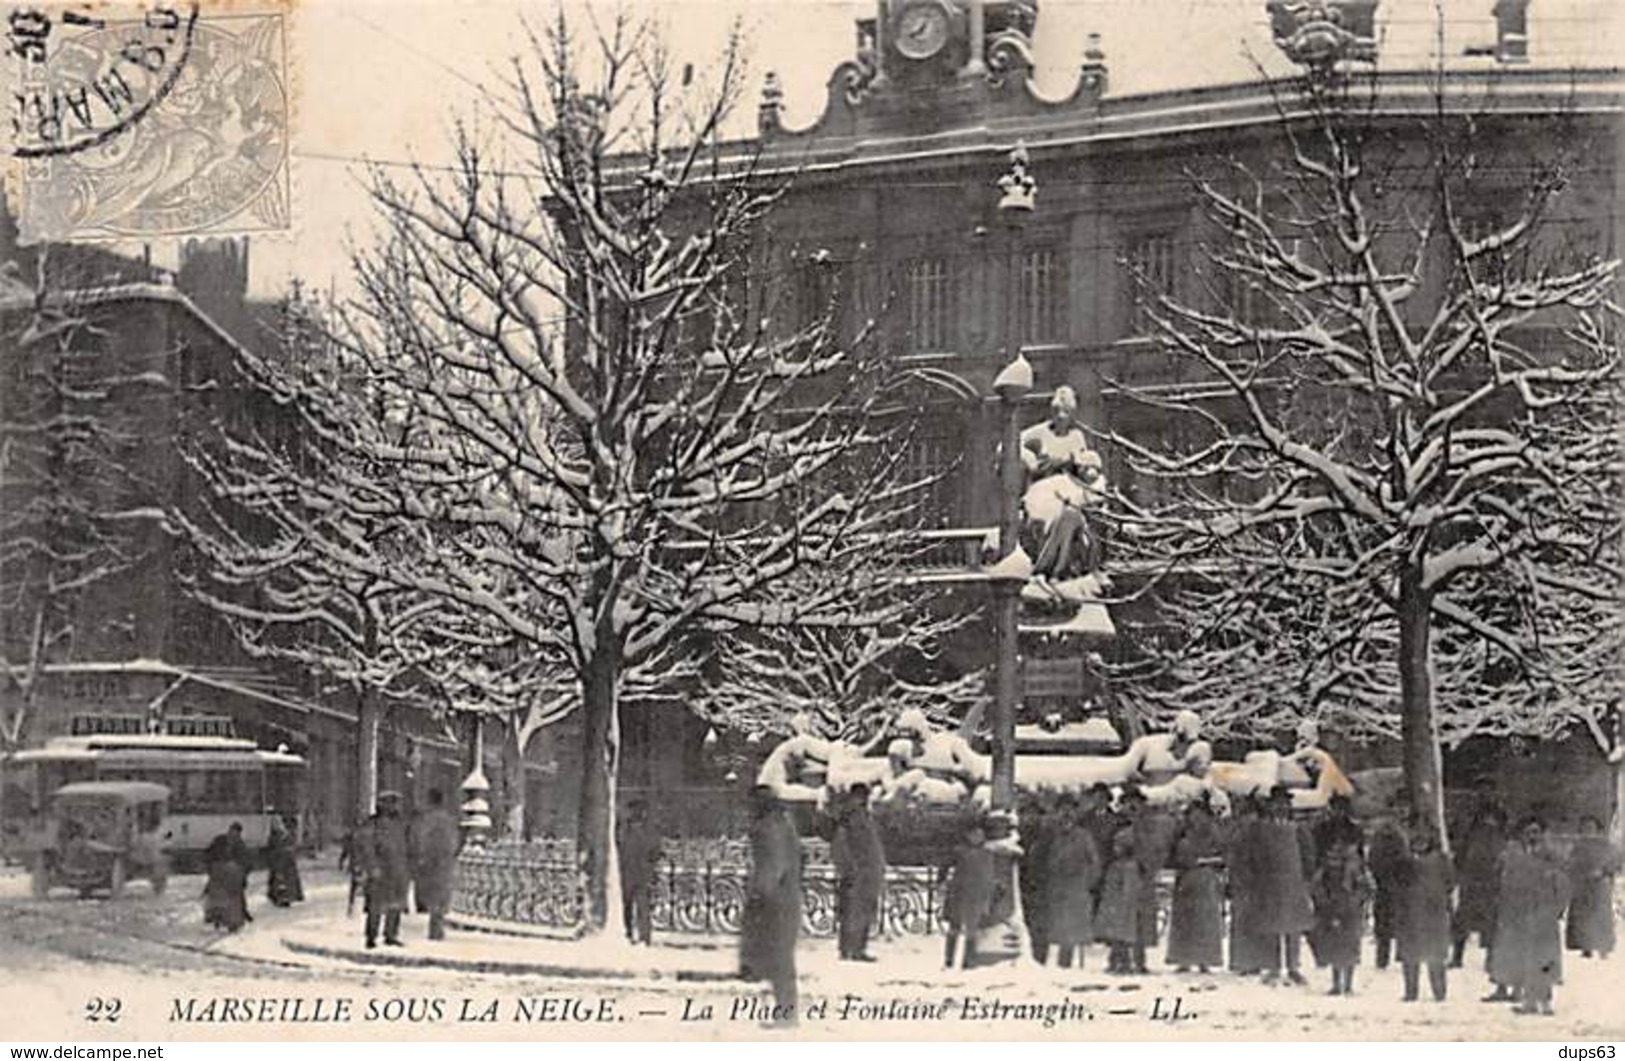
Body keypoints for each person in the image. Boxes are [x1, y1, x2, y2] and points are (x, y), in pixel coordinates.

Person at [1018, 385, 1107, 581]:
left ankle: (1058, 568)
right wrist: (1031, 462)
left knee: (1071, 517)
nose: (1061, 416)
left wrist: (1089, 471)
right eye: (1057, 411)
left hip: (1068, 489)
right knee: (1047, 519)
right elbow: (1009, 443)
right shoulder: (1040, 433)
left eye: (1066, 412)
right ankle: (1047, 566)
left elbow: (1086, 465)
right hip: (1043, 490)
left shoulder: (1077, 437)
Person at [1487, 815, 1571, 1015]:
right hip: (1522, 915)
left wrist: (1557, 909)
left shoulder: (1552, 858)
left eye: (1536, 832)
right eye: (1528, 833)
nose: (1532, 836)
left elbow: (1563, 886)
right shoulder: (1516, 856)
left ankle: (1546, 1000)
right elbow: (1508, 884)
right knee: (1526, 957)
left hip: (1544, 915)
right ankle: (1530, 1000)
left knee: (1545, 958)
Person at [740, 785, 801, 1026]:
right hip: (785, 897)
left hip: (775, 901)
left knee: (779, 959)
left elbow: (773, 867)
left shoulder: (768, 828)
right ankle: (785, 1012)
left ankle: (786, 1015)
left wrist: (759, 896)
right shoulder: (782, 824)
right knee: (780, 958)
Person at [1254, 787, 1314, 986]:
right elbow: (1256, 856)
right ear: (1270, 806)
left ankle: (1293, 967)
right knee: (1271, 926)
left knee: (1293, 928)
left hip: (1293, 883)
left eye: (1285, 803)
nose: (1281, 807)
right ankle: (1272, 967)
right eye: (1277, 803)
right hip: (1270, 883)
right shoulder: (1263, 828)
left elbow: (1308, 855)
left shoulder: (1298, 828)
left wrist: (1307, 878)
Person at [1395, 824, 1454, 1002]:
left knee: (1435, 955)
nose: (1420, 843)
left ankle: (1439, 991)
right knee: (1410, 955)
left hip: (1433, 912)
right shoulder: (1404, 862)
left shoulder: (1441, 860)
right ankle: (1411, 991)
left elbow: (1450, 882)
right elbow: (1398, 883)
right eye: (1416, 840)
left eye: (1423, 840)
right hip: (1410, 913)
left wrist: (1440, 899)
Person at [1166, 795, 1225, 974]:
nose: (1195, 819)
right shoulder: (1182, 832)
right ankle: (1183, 959)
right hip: (1186, 880)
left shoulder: (1214, 833)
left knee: (1205, 921)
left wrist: (1205, 861)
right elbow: (1172, 855)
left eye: (1199, 815)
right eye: (1192, 815)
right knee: (1185, 920)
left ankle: (1205, 960)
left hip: (1206, 879)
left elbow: (1223, 855)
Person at [1042, 796, 1102, 969]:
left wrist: (1087, 882)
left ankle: (1067, 964)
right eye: (1063, 810)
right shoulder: (1052, 834)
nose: (1066, 814)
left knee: (1073, 929)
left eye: (1070, 810)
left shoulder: (1084, 836)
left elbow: (1094, 862)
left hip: (1077, 888)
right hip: (1057, 887)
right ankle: (1054, 963)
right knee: (1057, 929)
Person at [1309, 836, 1371, 996]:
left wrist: (1353, 901)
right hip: (1341, 910)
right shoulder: (1349, 866)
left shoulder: (1348, 867)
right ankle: (1342, 984)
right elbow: (1316, 887)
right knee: (1341, 947)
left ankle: (1343, 984)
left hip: (1345, 910)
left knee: (1344, 947)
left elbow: (1365, 888)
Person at [830, 785, 885, 962]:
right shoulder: (851, 818)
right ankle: (853, 949)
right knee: (855, 911)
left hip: (865, 871)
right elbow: (843, 845)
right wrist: (849, 867)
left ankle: (853, 948)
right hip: (858, 872)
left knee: (859, 911)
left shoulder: (859, 816)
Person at [1452, 802, 1507, 968]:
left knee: (1491, 925)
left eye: (1491, 822)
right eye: (1484, 822)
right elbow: (1459, 860)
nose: (1487, 825)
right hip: (1471, 885)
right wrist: (1461, 876)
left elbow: (1503, 864)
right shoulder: (1470, 840)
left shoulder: (1500, 842)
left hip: (1490, 887)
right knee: (1461, 921)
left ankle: (1491, 959)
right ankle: (1457, 956)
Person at [359, 791, 411, 949]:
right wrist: (372, 866)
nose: (394, 806)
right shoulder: (373, 824)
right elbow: (367, 847)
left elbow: (407, 846)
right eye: (390, 803)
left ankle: (391, 934)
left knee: (395, 904)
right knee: (376, 905)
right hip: (380, 870)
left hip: (398, 869)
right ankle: (371, 936)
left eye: (395, 803)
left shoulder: (402, 824)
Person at [1564, 814, 1621, 959]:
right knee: (1583, 918)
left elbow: (1615, 861)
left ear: (1597, 829)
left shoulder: (1605, 846)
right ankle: (1585, 947)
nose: (1588, 831)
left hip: (1599, 887)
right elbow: (1570, 865)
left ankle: (1603, 947)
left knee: (1600, 917)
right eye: (1584, 828)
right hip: (1582, 887)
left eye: (1591, 827)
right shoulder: (1577, 847)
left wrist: (1603, 871)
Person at [943, 823, 995, 970]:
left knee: (972, 929)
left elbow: (989, 877)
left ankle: (968, 962)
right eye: (973, 834)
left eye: (979, 835)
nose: (976, 838)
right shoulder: (960, 852)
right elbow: (945, 865)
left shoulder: (987, 854)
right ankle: (949, 960)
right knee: (954, 927)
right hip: (958, 893)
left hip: (975, 895)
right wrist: (942, 879)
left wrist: (987, 897)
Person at [411, 788, 461, 941]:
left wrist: (419, 855)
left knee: (430, 895)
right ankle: (437, 926)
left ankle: (435, 926)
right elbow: (454, 841)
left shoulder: (424, 820)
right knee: (441, 895)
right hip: (444, 862)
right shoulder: (449, 820)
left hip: (427, 861)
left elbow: (416, 839)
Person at [1366, 814, 1410, 970]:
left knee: (1385, 923)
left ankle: (1383, 957)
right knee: (1397, 921)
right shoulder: (1400, 838)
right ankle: (1398, 954)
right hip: (1394, 886)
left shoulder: (1381, 839)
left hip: (1387, 886)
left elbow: (1372, 861)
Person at [616, 800, 661, 947]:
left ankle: (643, 937)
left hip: (640, 874)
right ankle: (629, 934)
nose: (634, 814)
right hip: (627, 872)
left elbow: (655, 851)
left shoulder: (648, 831)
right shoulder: (624, 829)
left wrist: (650, 867)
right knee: (627, 907)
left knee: (642, 907)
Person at [202, 823, 251, 933]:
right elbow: (208, 853)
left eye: (236, 832)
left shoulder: (239, 845)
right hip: (220, 877)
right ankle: (218, 920)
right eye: (233, 831)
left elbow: (246, 862)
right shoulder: (220, 840)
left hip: (230, 879)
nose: (234, 834)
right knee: (219, 900)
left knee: (229, 901)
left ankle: (230, 922)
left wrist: (242, 874)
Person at [264, 817, 304, 907]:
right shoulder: (277, 836)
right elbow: (271, 849)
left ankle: (283, 898)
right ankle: (279, 897)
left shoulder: (285, 835)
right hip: (279, 861)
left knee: (282, 880)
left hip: (283, 862)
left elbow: (288, 847)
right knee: (279, 880)